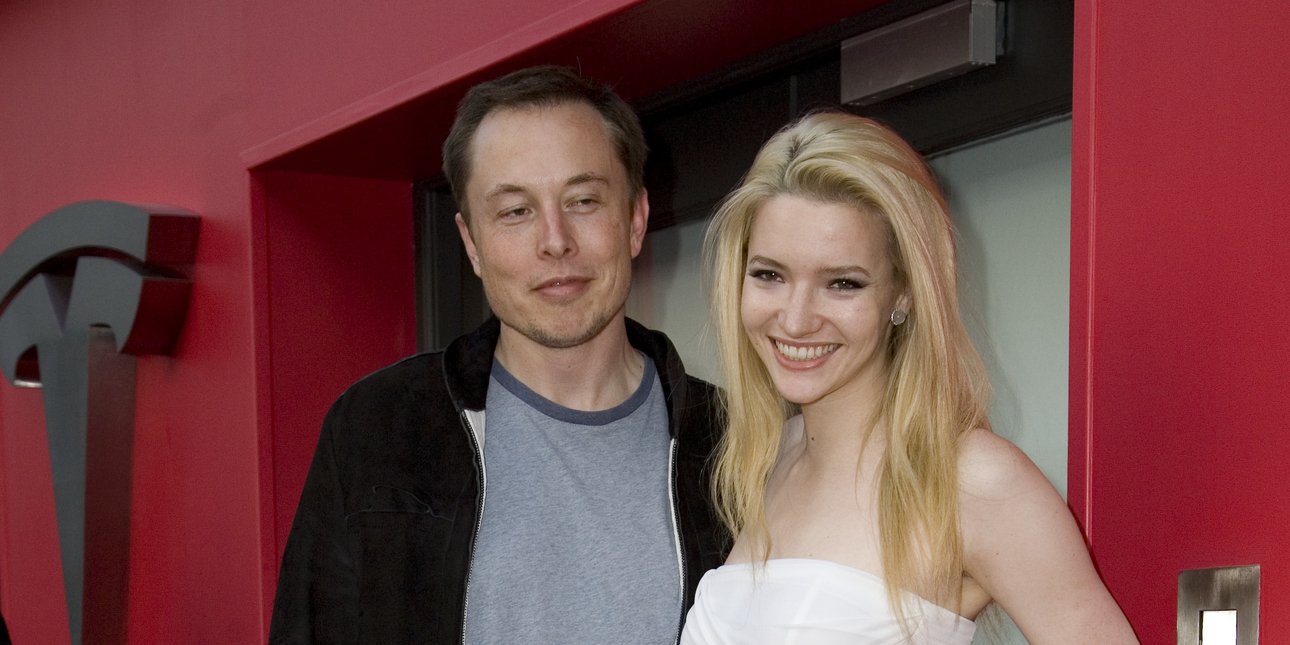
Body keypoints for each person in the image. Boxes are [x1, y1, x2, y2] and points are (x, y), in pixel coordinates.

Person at [269, 65, 726, 644]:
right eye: (515, 211)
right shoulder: (380, 427)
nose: (555, 240)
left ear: (635, 219)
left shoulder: (732, 443)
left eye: (583, 200)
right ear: (471, 243)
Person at [681, 112, 1137, 644]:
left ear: (904, 292)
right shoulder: (763, 463)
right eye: (769, 275)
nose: (797, 319)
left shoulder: (973, 480)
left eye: (842, 283)